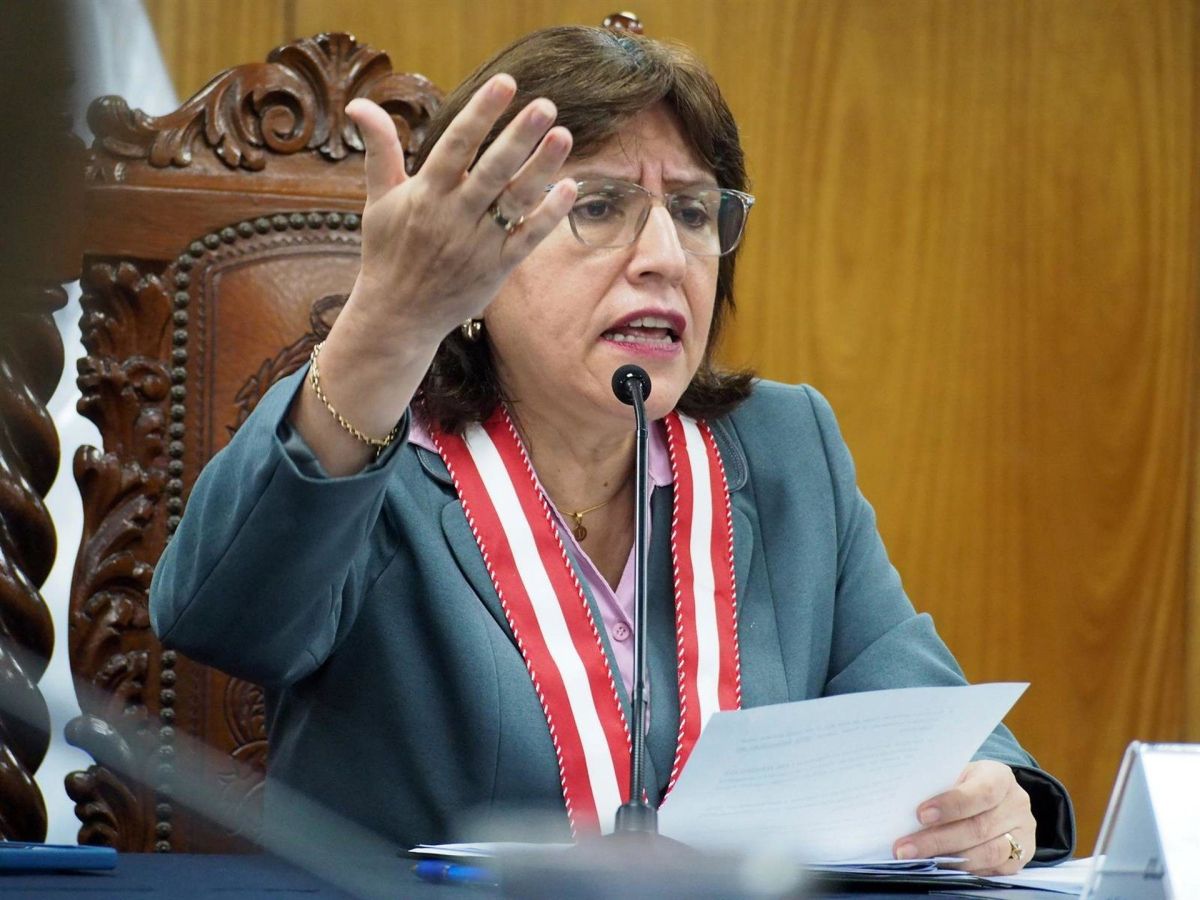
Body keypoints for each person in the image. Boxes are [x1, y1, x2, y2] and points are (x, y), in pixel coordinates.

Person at [149, 25, 1074, 873]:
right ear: (474, 259)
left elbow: (922, 710)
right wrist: (384, 328)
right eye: (598, 207)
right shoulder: (369, 451)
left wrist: (994, 800)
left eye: (695, 213)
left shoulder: (784, 449)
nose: (665, 256)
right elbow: (218, 619)